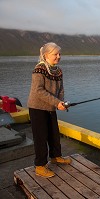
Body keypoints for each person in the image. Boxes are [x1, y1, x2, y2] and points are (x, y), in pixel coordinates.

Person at [27, 42, 71, 178]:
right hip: (37, 107)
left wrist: (61, 102)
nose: (58, 57)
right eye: (55, 54)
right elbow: (38, 91)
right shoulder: (39, 69)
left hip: (50, 107)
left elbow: (60, 89)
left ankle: (55, 157)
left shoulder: (58, 70)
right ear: (46, 55)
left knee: (54, 134)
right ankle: (40, 166)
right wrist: (57, 103)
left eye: (59, 54)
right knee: (41, 137)